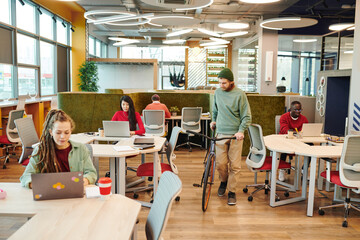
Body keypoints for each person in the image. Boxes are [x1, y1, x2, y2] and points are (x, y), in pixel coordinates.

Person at [20, 109, 97, 189]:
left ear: (71, 131)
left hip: (74, 193)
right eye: (58, 133)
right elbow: (26, 176)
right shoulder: (41, 150)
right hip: (50, 193)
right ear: (51, 132)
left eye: (67, 132)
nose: (63, 137)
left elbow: (91, 173)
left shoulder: (81, 149)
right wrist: (36, 184)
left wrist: (83, 181)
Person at [210, 68, 252, 205]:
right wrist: (214, 120)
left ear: (231, 82)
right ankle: (223, 181)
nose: (221, 86)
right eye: (220, 83)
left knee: (235, 165)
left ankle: (232, 191)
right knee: (221, 164)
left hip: (235, 135)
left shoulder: (240, 94)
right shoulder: (217, 92)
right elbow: (215, 110)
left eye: (224, 83)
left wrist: (241, 131)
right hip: (220, 133)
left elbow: (247, 116)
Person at [278, 101, 309, 181]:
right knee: (284, 149)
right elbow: (284, 130)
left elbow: (305, 130)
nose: (298, 112)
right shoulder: (284, 117)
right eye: (296, 110)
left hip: (299, 140)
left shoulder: (303, 118)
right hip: (286, 139)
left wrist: (299, 134)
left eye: (299, 110)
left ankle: (304, 169)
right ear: (290, 109)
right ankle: (282, 169)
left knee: (310, 147)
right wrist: (295, 132)